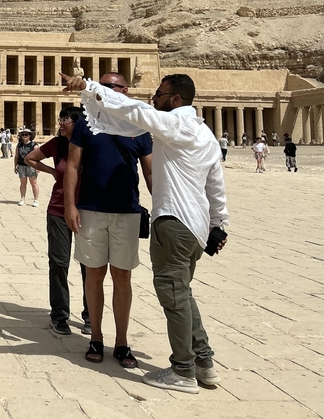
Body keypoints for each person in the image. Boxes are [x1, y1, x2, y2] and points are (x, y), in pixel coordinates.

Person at [61, 72, 229, 394]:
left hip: (174, 222)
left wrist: (88, 86)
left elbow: (135, 112)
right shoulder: (205, 133)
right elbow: (215, 184)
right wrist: (218, 224)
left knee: (174, 298)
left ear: (176, 100)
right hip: (196, 227)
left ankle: (183, 370)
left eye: (160, 93)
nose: (154, 97)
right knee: (184, 293)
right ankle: (204, 362)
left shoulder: (173, 125)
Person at [63, 72, 152, 370]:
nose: (101, 92)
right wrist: (70, 205)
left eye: (108, 87)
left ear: (124, 91)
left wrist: (166, 207)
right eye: (98, 87)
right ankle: (97, 337)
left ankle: (123, 341)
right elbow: (72, 167)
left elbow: (150, 173)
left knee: (123, 277)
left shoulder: (139, 127)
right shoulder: (88, 122)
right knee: (94, 275)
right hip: (90, 209)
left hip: (127, 210)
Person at [25, 105, 90, 335]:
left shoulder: (90, 144)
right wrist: (52, 172)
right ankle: (59, 315)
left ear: (79, 123)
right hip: (58, 210)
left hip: (87, 211)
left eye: (66, 119)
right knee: (59, 263)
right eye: (60, 118)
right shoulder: (58, 144)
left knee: (89, 265)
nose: (61, 123)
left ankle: (90, 315)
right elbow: (30, 158)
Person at [14, 128, 40, 207]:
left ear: (30, 136)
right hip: (21, 166)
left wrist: (38, 167)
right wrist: (15, 166)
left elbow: (38, 157)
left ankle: (36, 200)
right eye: (23, 135)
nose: (24, 136)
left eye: (26, 135)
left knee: (34, 183)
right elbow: (16, 156)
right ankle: (22, 199)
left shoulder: (34, 145)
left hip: (31, 166)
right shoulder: (19, 145)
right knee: (23, 183)